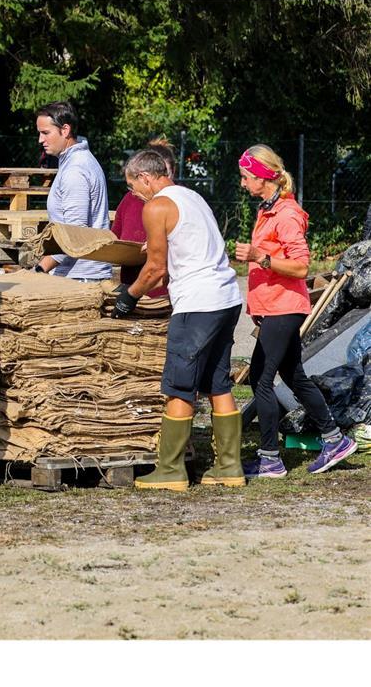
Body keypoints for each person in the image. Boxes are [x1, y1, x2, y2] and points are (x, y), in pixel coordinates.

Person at [112, 147, 244, 491]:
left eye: (132, 187)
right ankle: (229, 466)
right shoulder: (192, 197)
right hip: (227, 298)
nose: (133, 195)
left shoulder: (156, 206)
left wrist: (129, 295)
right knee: (218, 382)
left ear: (145, 177)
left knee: (180, 383)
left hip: (197, 305)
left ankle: (170, 470)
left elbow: (156, 268)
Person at [233, 144, 357, 477]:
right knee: (294, 377)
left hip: (284, 307)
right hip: (273, 306)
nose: (243, 184)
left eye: (246, 177)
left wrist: (260, 257)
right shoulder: (267, 209)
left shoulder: (286, 214)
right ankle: (335, 440)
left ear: (262, 177)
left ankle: (270, 459)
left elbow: (301, 267)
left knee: (261, 379)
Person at [32, 101, 112, 281]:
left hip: (81, 276)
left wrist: (39, 270)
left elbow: (75, 236)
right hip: (80, 273)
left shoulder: (75, 170)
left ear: (65, 130)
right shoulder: (76, 161)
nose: (40, 140)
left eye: (46, 133)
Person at [110, 137, 173, 298]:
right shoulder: (130, 198)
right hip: (132, 283)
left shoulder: (175, 201)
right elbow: (115, 238)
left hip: (163, 292)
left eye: (165, 174)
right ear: (145, 177)